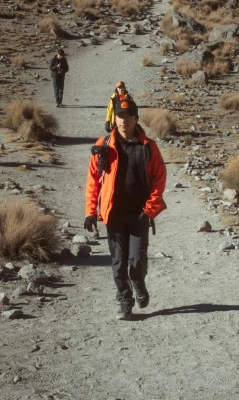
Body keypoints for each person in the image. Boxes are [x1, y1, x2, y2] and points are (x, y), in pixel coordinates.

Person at [84, 98, 167, 320]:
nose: (124, 120)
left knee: (137, 260)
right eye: (120, 116)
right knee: (118, 261)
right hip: (114, 214)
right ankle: (124, 301)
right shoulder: (103, 145)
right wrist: (91, 210)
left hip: (140, 213)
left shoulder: (148, 146)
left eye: (129, 116)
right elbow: (93, 180)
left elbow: (159, 177)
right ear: (115, 118)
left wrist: (149, 209)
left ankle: (138, 282)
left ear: (136, 119)